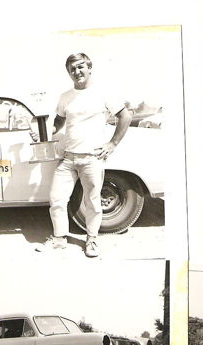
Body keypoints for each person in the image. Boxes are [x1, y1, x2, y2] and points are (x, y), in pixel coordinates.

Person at [35, 53, 132, 257]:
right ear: (68, 72)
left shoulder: (103, 93)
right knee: (57, 199)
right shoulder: (65, 97)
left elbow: (125, 116)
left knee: (93, 202)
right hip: (68, 158)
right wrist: (45, 132)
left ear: (89, 67)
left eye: (80, 67)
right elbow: (59, 121)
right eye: (72, 69)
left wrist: (112, 144)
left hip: (92, 158)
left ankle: (92, 241)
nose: (77, 72)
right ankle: (60, 239)